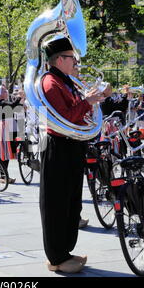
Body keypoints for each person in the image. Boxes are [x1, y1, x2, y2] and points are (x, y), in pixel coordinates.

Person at [39, 37, 103, 274]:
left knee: (71, 201)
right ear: (59, 60)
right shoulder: (50, 83)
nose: (76, 62)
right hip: (58, 146)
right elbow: (65, 116)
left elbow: (77, 108)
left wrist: (92, 100)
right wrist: (87, 102)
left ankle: (64, 251)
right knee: (56, 204)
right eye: (71, 58)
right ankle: (56, 256)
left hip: (71, 146)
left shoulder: (65, 81)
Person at [0, 85, 23, 184]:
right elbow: (13, 105)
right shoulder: (1, 102)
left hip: (8, 127)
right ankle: (4, 176)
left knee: (6, 153)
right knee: (4, 154)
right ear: (0, 94)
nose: (6, 92)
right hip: (6, 128)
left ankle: (4, 176)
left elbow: (14, 107)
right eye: (4, 91)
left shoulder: (2, 102)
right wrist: (19, 96)